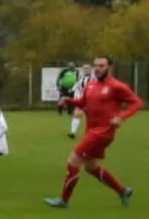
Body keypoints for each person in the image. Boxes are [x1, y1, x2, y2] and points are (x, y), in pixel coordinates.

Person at [46, 55, 139, 209]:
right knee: (91, 167)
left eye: (101, 65)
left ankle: (64, 200)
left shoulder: (117, 86)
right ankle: (122, 191)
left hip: (103, 132)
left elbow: (137, 102)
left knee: (73, 160)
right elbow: (83, 102)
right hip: (91, 130)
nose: (97, 68)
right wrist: (68, 100)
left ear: (109, 67)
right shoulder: (91, 85)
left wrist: (121, 117)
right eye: (95, 65)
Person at [58, 62, 95, 140]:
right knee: (77, 114)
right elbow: (77, 84)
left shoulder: (94, 78)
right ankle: (72, 133)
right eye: (84, 68)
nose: (86, 70)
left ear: (91, 69)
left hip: (91, 101)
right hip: (81, 100)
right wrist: (71, 90)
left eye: (87, 68)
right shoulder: (81, 77)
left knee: (92, 118)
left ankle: (92, 133)